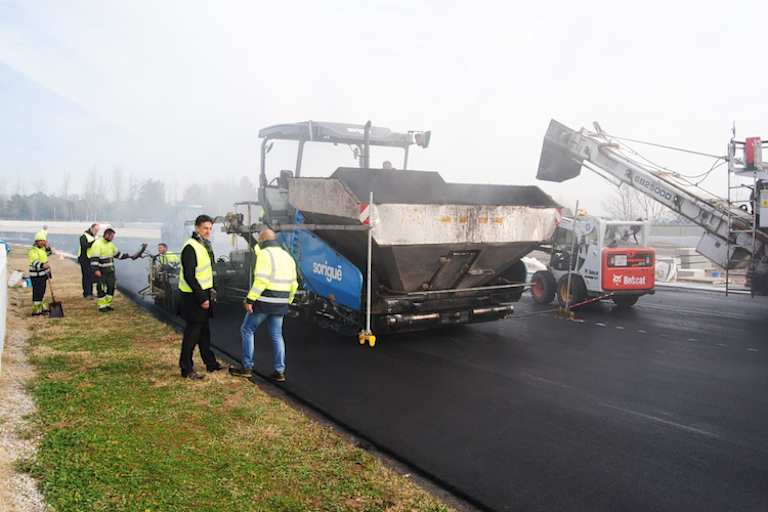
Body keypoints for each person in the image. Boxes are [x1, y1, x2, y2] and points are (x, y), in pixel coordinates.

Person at [229, 228, 298, 382]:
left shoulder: (264, 255)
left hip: (265, 301)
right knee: (277, 336)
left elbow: (261, 280)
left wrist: (250, 299)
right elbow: (294, 283)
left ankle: (247, 367)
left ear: (262, 240)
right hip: (281, 302)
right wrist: (288, 301)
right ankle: (279, 371)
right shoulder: (288, 256)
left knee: (247, 329)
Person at [178, 215, 222, 380]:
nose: (208, 231)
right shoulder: (190, 247)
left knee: (204, 332)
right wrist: (202, 298)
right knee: (192, 333)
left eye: (210, 228)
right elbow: (190, 276)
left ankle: (210, 363)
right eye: (205, 228)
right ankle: (186, 369)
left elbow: (205, 272)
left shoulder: (203, 246)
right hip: (193, 298)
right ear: (197, 228)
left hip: (203, 294)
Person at [90, 226, 139, 312]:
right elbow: (94, 259)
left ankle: (107, 304)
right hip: (101, 271)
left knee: (111, 287)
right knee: (101, 288)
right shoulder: (97, 244)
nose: (113, 238)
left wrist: (129, 256)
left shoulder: (110, 245)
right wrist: (96, 270)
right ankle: (102, 306)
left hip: (110, 271)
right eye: (112, 236)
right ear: (107, 235)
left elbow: (118, 255)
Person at [28, 231, 52, 316]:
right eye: (42, 241)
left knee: (42, 291)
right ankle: (36, 309)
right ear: (37, 241)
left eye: (44, 241)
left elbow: (48, 254)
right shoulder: (33, 251)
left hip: (43, 275)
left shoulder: (42, 249)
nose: (44, 242)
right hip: (36, 276)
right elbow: (34, 262)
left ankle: (41, 307)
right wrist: (43, 265)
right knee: (37, 292)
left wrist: (48, 247)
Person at [77, 223, 100, 298]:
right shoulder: (84, 236)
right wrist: (94, 242)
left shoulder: (96, 237)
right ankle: (87, 293)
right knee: (86, 276)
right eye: (96, 230)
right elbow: (84, 246)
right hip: (84, 259)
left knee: (91, 276)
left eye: (98, 230)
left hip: (92, 259)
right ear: (91, 228)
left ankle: (90, 292)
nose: (96, 232)